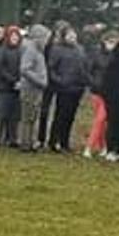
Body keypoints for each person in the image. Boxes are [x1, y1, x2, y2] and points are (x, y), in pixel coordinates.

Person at [44, 25, 90, 153]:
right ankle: (53, 141)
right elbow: (51, 68)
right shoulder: (57, 49)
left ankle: (65, 142)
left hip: (78, 87)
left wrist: (85, 81)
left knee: (70, 116)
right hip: (64, 88)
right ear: (64, 36)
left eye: (74, 35)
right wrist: (60, 80)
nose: (72, 37)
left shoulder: (80, 49)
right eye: (69, 35)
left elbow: (85, 67)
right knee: (60, 115)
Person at [83, 30, 117, 159]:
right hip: (96, 92)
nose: (111, 44)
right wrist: (93, 84)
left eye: (114, 42)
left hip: (108, 93)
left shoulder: (115, 56)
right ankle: (97, 146)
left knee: (101, 120)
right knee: (100, 120)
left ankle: (93, 146)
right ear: (104, 41)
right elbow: (89, 71)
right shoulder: (96, 54)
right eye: (110, 41)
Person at [17, 24, 51, 151]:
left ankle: (30, 141)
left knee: (33, 116)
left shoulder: (38, 51)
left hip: (36, 89)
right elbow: (24, 69)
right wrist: (39, 80)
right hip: (30, 88)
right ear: (38, 38)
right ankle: (25, 143)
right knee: (27, 117)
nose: (47, 42)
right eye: (46, 38)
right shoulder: (30, 50)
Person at [0, 27, 24, 148]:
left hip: (18, 87)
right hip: (4, 87)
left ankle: (12, 138)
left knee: (15, 115)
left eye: (17, 36)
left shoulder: (22, 50)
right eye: (12, 36)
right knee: (1, 114)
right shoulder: (2, 50)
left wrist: (21, 81)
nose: (14, 38)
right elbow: (0, 68)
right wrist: (12, 80)